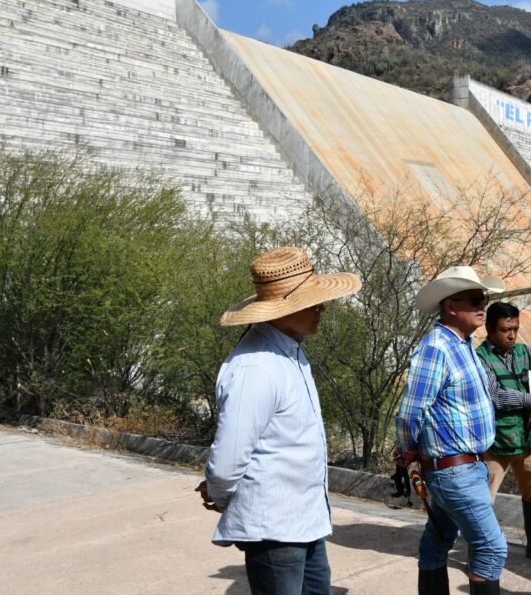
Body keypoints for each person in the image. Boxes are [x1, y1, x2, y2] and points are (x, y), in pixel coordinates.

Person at [195, 246, 361, 595]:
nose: (321, 308)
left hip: (304, 519)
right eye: (312, 302)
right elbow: (228, 459)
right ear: (284, 309)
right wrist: (220, 493)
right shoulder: (256, 367)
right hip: (275, 528)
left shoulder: (287, 352)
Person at [394, 266, 508, 595]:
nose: (482, 305)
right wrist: (407, 450)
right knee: (491, 548)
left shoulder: (462, 344)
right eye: (474, 300)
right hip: (454, 472)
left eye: (483, 299)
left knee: (439, 538)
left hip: (465, 468)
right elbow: (410, 412)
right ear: (451, 306)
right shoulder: (437, 348)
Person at [476, 301, 531, 564]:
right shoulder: (480, 359)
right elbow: (496, 396)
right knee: (483, 499)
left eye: (515, 328)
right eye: (505, 330)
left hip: (527, 438)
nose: (512, 335)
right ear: (490, 329)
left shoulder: (525, 352)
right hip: (497, 442)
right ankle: (482, 552)